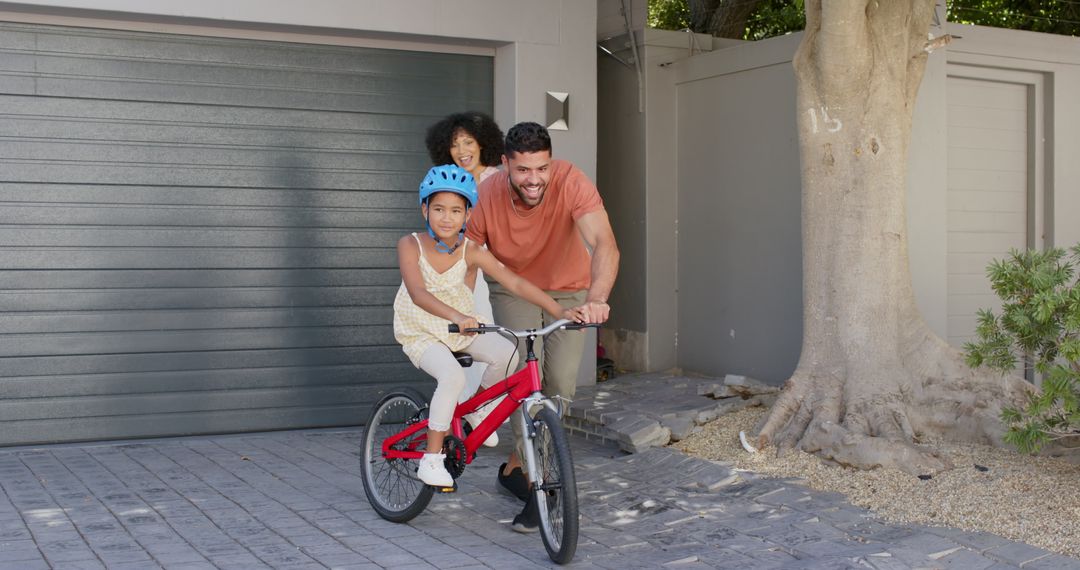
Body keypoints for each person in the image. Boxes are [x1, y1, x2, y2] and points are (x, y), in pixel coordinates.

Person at [465, 122, 619, 532]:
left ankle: (516, 466)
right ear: (505, 165)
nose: (534, 180)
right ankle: (537, 486)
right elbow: (469, 256)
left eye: (541, 169)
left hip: (569, 290)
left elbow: (604, 242)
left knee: (559, 386)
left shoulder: (571, 180)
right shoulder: (486, 194)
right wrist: (462, 313)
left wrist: (598, 298)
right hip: (513, 289)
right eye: (523, 171)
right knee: (523, 383)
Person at [394, 164, 583, 489]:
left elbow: (514, 282)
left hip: (459, 329)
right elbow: (418, 293)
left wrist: (558, 310)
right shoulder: (410, 245)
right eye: (438, 209)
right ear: (424, 208)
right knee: (451, 376)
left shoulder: (472, 250)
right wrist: (456, 315)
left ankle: (475, 413)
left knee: (509, 353)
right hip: (421, 331)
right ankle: (431, 458)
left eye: (456, 210)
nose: (447, 217)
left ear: (467, 215)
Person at [425, 111, 504, 184]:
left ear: (481, 144)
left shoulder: (500, 180)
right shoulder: (446, 181)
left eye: (468, 143)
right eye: (454, 145)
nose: (461, 151)